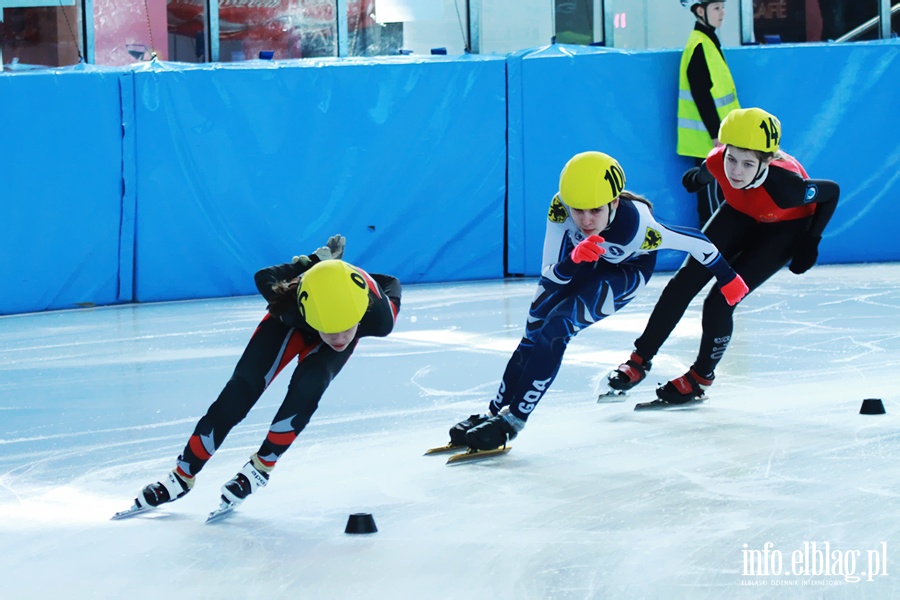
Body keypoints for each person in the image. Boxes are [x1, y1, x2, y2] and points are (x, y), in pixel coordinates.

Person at [450, 152, 749, 451]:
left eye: (595, 210)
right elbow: (548, 275)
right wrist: (573, 260)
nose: (585, 220)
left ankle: (513, 421)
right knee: (532, 334)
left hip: (626, 270)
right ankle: (492, 412)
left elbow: (697, 241)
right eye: (578, 210)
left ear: (614, 203)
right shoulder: (560, 208)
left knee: (557, 327)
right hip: (581, 260)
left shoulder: (641, 228)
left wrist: (728, 278)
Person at [128, 235, 401, 513]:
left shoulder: (378, 318)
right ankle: (182, 475)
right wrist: (312, 263)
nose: (339, 338)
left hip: (346, 296)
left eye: (345, 327)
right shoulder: (289, 305)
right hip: (295, 316)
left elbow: (390, 282)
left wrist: (334, 271)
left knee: (308, 388)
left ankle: (261, 468)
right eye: (329, 329)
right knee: (240, 391)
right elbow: (265, 275)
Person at [610, 107, 840, 404]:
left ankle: (700, 378)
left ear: (767, 161)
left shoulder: (787, 187)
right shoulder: (719, 161)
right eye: (732, 158)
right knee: (683, 284)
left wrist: (812, 240)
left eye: (748, 163)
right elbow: (706, 171)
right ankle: (639, 360)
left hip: (784, 227)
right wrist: (697, 179)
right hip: (740, 213)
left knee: (720, 301)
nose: (736, 171)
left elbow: (831, 192)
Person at [677, 0, 740, 225]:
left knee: (720, 202)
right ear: (700, 11)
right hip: (710, 143)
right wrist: (716, 134)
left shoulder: (709, 42)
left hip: (720, 140)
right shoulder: (700, 45)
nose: (722, 12)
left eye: (723, 7)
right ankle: (711, 255)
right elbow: (701, 94)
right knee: (713, 206)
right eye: (716, 8)